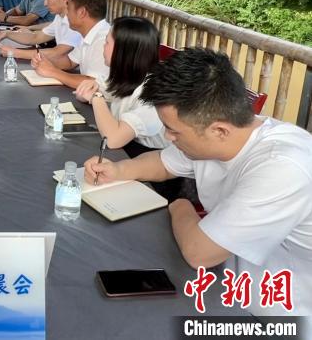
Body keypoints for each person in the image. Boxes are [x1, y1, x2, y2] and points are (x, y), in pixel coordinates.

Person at [83, 48, 312, 316]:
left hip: (278, 314)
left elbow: (198, 253)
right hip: (229, 282)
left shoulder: (284, 168)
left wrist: (180, 205)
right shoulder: (219, 135)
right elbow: (163, 163)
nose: (167, 137)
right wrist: (118, 170)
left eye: (173, 131)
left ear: (219, 130)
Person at [74, 16, 167, 151]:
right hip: (125, 149)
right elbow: (82, 93)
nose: (103, 46)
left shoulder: (153, 92)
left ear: (123, 50)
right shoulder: (126, 75)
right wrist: (89, 90)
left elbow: (112, 140)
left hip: (145, 155)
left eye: (107, 42)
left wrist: (96, 97)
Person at [30, 0, 110, 89]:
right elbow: (70, 62)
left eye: (68, 8)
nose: (66, 14)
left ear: (82, 13)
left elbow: (92, 83)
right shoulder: (88, 33)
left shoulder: (104, 39)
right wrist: (44, 62)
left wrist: (52, 71)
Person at [0, 0, 81, 60]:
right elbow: (36, 37)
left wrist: (14, 52)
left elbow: (57, 53)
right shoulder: (60, 17)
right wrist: (7, 33)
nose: (45, 3)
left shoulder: (75, 21)